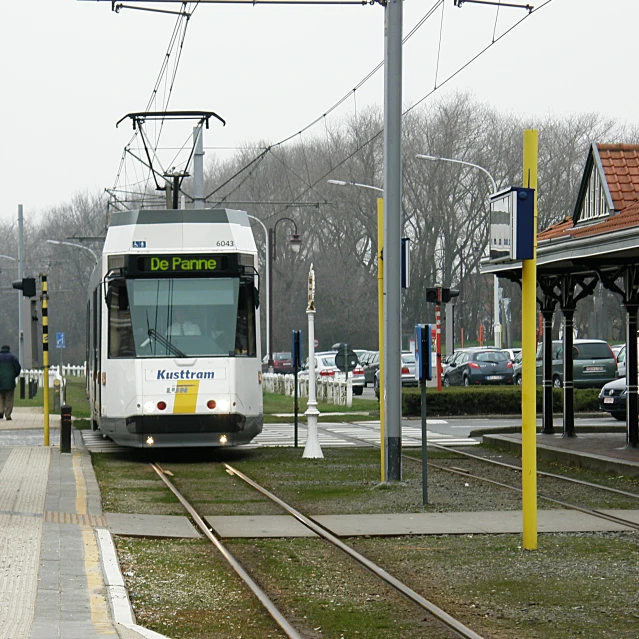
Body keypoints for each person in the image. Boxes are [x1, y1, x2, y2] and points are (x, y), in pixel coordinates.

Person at [0, 344, 22, 421]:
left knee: (1, 397)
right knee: (9, 398)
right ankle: (8, 414)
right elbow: (18, 368)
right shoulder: (13, 358)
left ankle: (0, 411)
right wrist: (13, 375)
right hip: (10, 381)